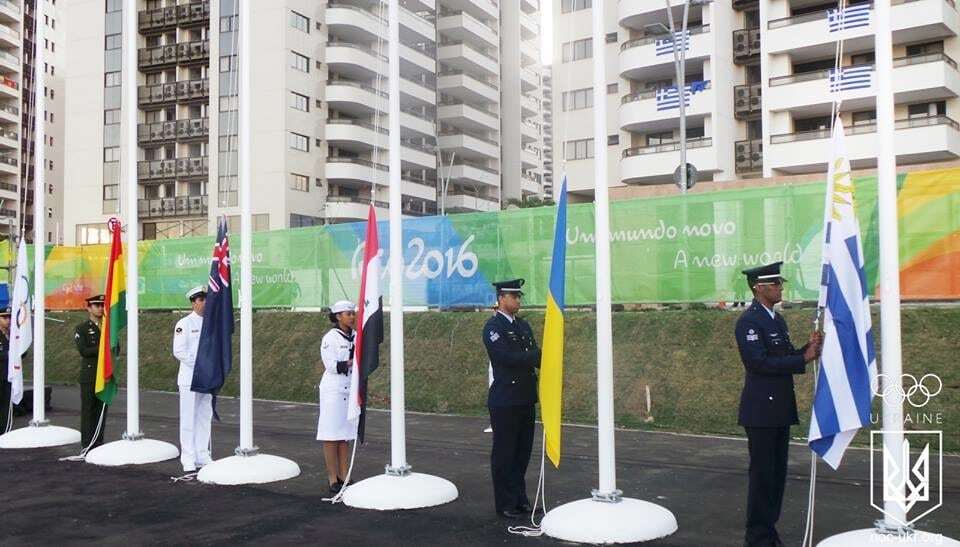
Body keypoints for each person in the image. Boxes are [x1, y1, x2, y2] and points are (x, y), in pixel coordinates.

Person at [735, 261, 822, 547]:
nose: (780, 287)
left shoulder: (777, 319)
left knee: (776, 476)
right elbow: (758, 362)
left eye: (780, 283)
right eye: (775, 284)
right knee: (762, 477)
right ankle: (757, 536)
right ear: (758, 288)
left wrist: (806, 350)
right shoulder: (749, 322)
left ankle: (768, 533)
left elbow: (783, 358)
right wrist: (802, 359)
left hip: (780, 408)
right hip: (761, 411)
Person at [482, 279, 540, 519]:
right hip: (505, 399)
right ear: (501, 298)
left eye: (519, 296)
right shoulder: (493, 328)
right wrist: (536, 355)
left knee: (522, 452)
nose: (518, 300)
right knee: (505, 453)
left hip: (525, 397)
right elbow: (507, 358)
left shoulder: (523, 326)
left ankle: (520, 500)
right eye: (513, 296)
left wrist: (538, 355)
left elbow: (533, 355)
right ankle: (505, 503)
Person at [318, 300, 357, 493]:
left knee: (345, 436)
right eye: (347, 313)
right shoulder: (330, 338)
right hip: (333, 391)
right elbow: (332, 366)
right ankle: (332, 477)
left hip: (350, 390)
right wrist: (353, 362)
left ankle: (344, 474)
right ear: (338, 316)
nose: (351, 316)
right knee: (331, 435)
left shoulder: (357, 336)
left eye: (352, 313)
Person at [173, 286, 213, 474]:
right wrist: (200, 365)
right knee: (188, 419)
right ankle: (188, 458)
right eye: (201, 299)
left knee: (204, 417)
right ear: (193, 302)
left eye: (206, 299)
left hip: (207, 379)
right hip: (190, 378)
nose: (204, 302)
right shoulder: (185, 323)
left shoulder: (211, 323)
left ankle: (202, 454)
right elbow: (179, 351)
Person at [74, 294, 107, 450]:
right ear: (89, 308)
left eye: (102, 305)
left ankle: (99, 441)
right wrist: (103, 349)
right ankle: (87, 443)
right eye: (96, 305)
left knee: (101, 409)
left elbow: (116, 348)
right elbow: (84, 351)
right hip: (90, 374)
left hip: (104, 374)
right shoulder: (82, 328)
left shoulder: (107, 327)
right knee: (89, 409)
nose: (100, 308)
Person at [0, 308, 12, 434]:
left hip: (8, 375)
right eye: (4, 318)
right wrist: (11, 354)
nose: (8, 320)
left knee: (6, 406)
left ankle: (4, 431)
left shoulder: (11, 335)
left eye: (9, 317)